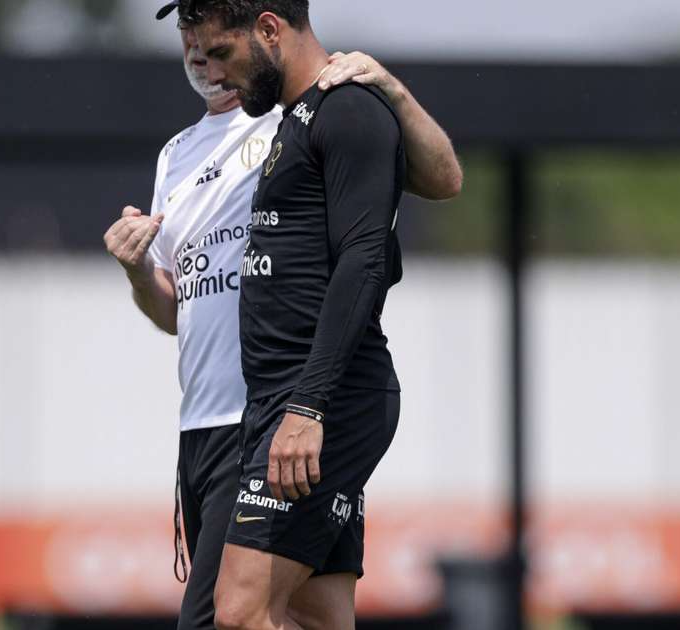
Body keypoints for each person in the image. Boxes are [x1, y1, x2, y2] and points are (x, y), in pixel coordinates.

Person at [102, 2, 461, 628]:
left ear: (265, 30)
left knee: (227, 617)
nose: (201, 58)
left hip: (286, 413)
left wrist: (392, 91)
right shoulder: (185, 154)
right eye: (191, 41)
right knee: (316, 616)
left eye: (218, 49)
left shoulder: (314, 105)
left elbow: (434, 187)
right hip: (227, 418)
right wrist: (138, 269)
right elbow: (178, 314)